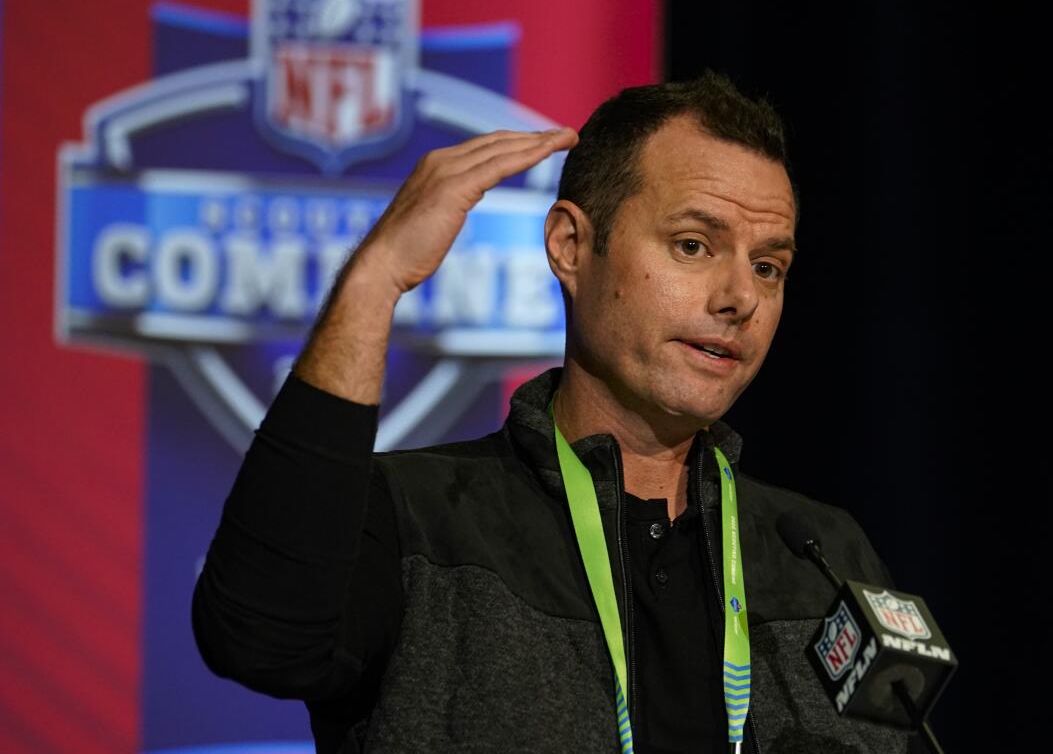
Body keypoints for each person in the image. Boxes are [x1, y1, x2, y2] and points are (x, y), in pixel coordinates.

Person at [193, 72, 913, 754]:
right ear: (571, 246)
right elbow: (258, 636)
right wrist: (374, 279)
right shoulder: (417, 518)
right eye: (693, 245)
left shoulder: (819, 555)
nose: (740, 298)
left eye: (768, 266)